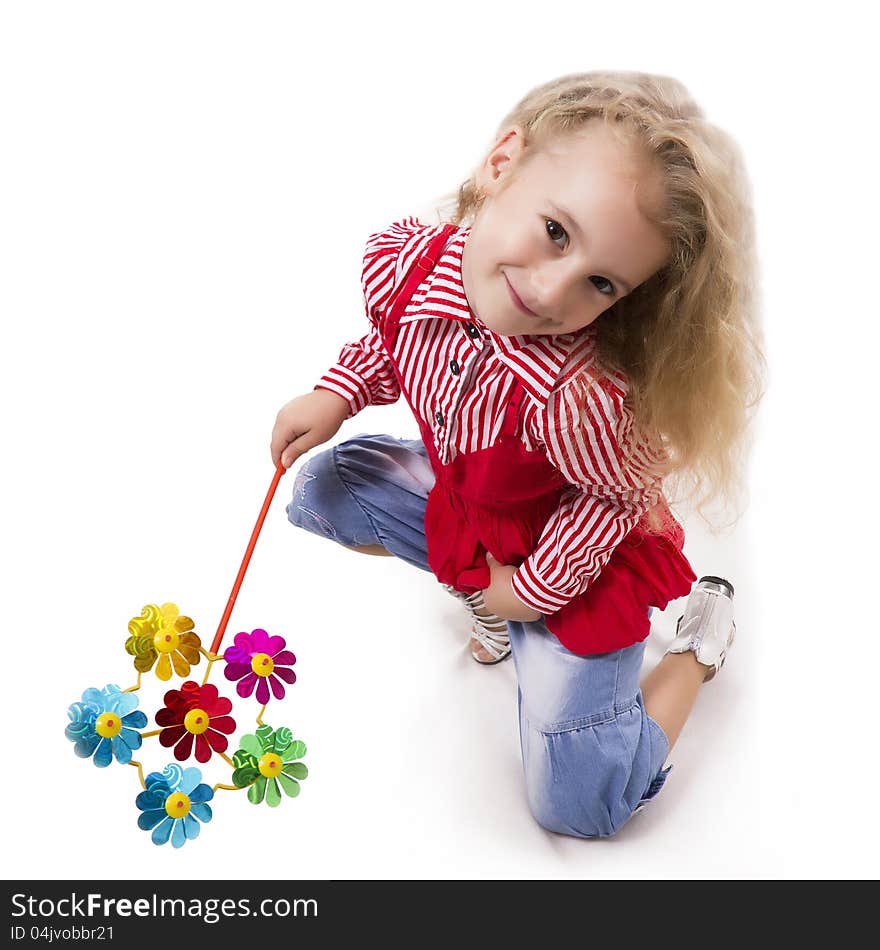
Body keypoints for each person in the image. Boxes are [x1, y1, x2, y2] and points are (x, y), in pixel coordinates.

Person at [270, 71, 766, 838]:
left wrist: (532, 591)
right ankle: (482, 596)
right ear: (503, 162)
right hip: (478, 512)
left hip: (570, 571)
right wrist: (337, 393)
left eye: (600, 282)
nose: (553, 288)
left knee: (579, 807)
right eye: (556, 232)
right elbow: (398, 339)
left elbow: (616, 500)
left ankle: (699, 647)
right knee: (323, 491)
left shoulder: (578, 397)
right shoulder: (414, 261)